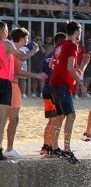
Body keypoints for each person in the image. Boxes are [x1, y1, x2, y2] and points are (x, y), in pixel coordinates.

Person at [5, 28, 45, 158]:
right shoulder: (19, 51)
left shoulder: (9, 48)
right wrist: (36, 75)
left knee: (7, 118)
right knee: (13, 119)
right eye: (26, 39)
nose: (27, 41)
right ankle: (9, 148)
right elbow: (18, 71)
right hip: (12, 86)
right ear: (22, 40)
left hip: (9, 84)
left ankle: (9, 148)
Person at [48, 20, 84, 164]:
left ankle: (54, 146)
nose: (80, 35)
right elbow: (70, 67)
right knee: (71, 115)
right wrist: (80, 82)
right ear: (76, 33)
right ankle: (67, 150)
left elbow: (52, 64)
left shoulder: (60, 44)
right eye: (79, 33)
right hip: (61, 84)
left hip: (54, 82)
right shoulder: (72, 45)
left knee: (60, 115)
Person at [40, 32, 67, 158]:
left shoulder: (48, 56)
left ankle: (46, 145)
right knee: (56, 119)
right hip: (54, 91)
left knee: (51, 120)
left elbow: (44, 75)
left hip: (46, 90)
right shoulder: (60, 57)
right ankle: (52, 147)